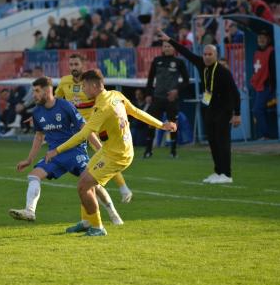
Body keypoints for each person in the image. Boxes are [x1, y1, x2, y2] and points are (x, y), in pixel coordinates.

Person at [45, 69, 177, 236]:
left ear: (93, 86)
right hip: (111, 149)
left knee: (83, 186)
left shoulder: (102, 107)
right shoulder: (115, 95)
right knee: (85, 179)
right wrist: (161, 124)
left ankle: (98, 227)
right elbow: (136, 112)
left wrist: (57, 150)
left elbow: (83, 135)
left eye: (84, 86)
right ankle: (87, 222)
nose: (83, 90)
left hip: (117, 155)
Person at [9, 76, 123, 225]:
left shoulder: (65, 106)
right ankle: (30, 211)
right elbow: (38, 137)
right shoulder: (37, 113)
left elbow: (85, 129)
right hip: (54, 154)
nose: (34, 95)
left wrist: (100, 149)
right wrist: (29, 160)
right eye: (33, 91)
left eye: (37, 91)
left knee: (93, 183)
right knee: (33, 176)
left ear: (47, 90)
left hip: (75, 152)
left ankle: (112, 212)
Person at [157, 30, 241, 184]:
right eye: (205, 54)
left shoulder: (223, 72)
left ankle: (227, 174)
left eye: (210, 54)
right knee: (212, 141)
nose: (207, 57)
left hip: (224, 109)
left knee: (223, 142)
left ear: (215, 55)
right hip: (210, 109)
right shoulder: (201, 64)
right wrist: (170, 39)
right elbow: (185, 52)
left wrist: (237, 114)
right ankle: (218, 171)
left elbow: (235, 93)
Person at [55, 54, 133, 203]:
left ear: (83, 65)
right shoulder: (65, 81)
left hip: (93, 126)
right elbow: (56, 101)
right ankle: (91, 188)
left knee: (103, 153)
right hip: (74, 127)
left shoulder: (91, 82)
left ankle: (123, 188)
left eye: (76, 64)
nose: (73, 67)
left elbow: (102, 100)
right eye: (71, 65)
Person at [144, 40, 190, 158]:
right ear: (162, 48)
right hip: (157, 97)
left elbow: (186, 81)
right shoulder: (156, 60)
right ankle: (148, 150)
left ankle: (173, 151)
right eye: (165, 46)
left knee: (172, 124)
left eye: (169, 46)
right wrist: (148, 94)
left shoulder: (179, 62)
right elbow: (150, 79)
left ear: (174, 48)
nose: (167, 48)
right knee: (152, 123)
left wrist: (176, 90)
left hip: (171, 98)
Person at [250, 30, 276, 140]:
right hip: (257, 86)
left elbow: (273, 71)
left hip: (266, 86)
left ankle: (266, 135)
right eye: (259, 37)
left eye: (263, 37)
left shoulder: (271, 51)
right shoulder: (256, 52)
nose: (261, 39)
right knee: (259, 110)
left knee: (256, 110)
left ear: (268, 39)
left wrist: (273, 88)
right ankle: (265, 134)